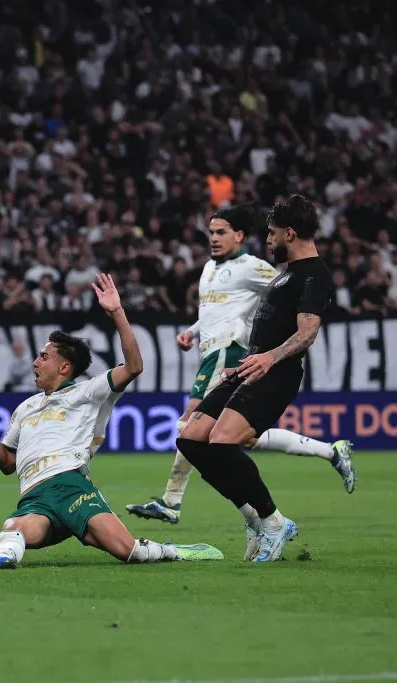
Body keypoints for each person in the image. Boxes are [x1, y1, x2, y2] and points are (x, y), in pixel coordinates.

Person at [0, 275, 224, 570]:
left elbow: (134, 366)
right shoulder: (25, 408)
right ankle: (1, 559)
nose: (35, 362)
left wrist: (117, 312)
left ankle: (174, 551)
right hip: (35, 497)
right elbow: (7, 463)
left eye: (44, 357)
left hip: (71, 486)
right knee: (12, 528)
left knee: (128, 552)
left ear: (64, 367)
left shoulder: (88, 392)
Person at [126, 204, 355, 524]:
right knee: (232, 439)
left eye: (221, 232)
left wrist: (272, 352)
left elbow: (297, 309)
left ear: (239, 235)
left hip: (234, 353)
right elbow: (215, 312)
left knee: (194, 429)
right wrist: (193, 332)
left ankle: (176, 502)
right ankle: (328, 453)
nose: (214, 239)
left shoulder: (260, 268)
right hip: (229, 357)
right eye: (211, 233)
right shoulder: (209, 269)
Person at [176, 194, 334, 563]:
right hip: (251, 367)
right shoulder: (288, 274)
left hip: (276, 374)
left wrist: (270, 357)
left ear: (290, 233)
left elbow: (307, 332)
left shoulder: (313, 275)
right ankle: (253, 516)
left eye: (273, 234)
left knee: (222, 442)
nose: (268, 240)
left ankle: (274, 522)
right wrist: (249, 359)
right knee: (190, 438)